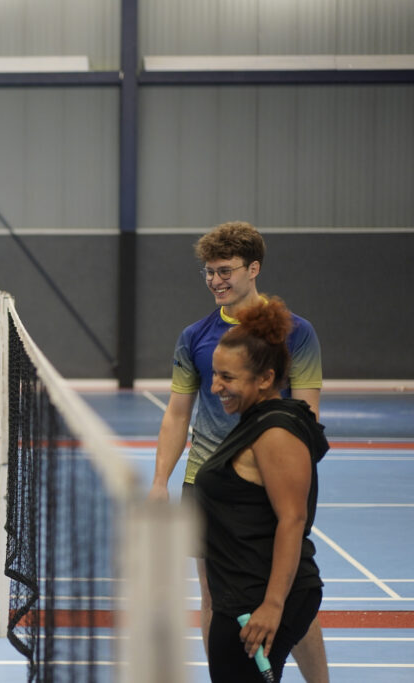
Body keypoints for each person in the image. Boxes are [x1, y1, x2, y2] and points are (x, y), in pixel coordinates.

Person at [147, 221, 329, 682]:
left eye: (225, 270)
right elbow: (176, 414)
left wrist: (277, 471)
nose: (215, 280)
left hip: (267, 484)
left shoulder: (297, 333)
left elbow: (306, 414)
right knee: (214, 597)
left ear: (254, 268)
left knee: (288, 593)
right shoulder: (194, 336)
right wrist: (158, 482)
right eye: (208, 272)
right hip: (207, 484)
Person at [196, 296, 329, 682]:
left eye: (228, 377)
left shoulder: (277, 432)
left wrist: (273, 605)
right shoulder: (253, 421)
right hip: (238, 594)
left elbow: (293, 519)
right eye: (215, 373)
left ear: (266, 379)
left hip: (260, 600)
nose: (216, 385)